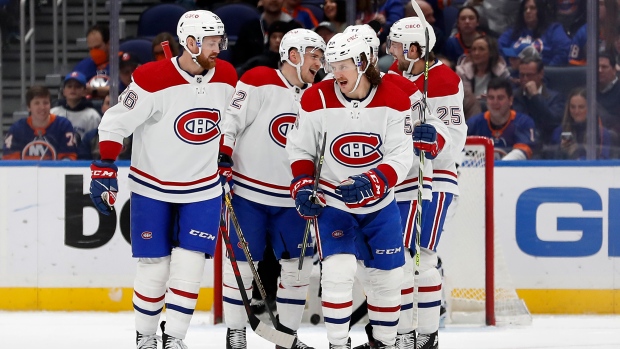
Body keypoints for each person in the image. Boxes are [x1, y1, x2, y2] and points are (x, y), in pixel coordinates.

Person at [88, 10, 237, 349]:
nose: (219, 48)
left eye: (219, 41)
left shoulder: (226, 75)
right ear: (190, 42)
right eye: (212, 42)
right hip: (152, 186)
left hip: (202, 188)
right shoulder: (153, 77)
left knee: (190, 264)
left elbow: (231, 120)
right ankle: (145, 337)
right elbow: (115, 122)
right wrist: (104, 166)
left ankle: (174, 339)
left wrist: (226, 155)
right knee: (154, 266)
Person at [286, 33, 414, 349]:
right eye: (332, 65)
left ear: (362, 63)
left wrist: (372, 181)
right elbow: (300, 148)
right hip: (334, 201)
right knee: (337, 270)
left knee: (388, 278)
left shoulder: (395, 99)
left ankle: (384, 343)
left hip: (380, 203)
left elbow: (401, 155)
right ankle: (338, 344)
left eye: (343, 65)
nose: (335, 73)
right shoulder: (315, 98)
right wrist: (302, 184)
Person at [345, 23, 450, 349]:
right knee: (373, 269)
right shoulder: (339, 89)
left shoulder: (401, 86)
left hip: (407, 185)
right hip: (369, 191)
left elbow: (428, 127)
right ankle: (390, 336)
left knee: (416, 263)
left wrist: (429, 133)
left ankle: (420, 338)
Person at [220, 28, 326, 349]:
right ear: (293, 55)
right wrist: (224, 155)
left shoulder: (318, 96)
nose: (320, 63)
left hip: (295, 197)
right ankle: (236, 333)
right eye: (315, 55)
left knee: (298, 268)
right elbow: (231, 119)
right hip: (249, 193)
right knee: (240, 264)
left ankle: (287, 338)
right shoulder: (259, 79)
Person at [388, 16, 467, 349]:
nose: (389, 49)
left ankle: (427, 335)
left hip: (435, 180)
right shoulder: (392, 75)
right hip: (401, 180)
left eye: (395, 44)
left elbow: (456, 135)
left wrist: (433, 138)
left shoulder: (445, 79)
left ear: (414, 48)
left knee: (422, 257)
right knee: (401, 261)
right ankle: (404, 333)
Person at [467, 77, 536, 160]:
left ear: (510, 100)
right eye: (491, 98)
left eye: (500, 98)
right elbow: (459, 150)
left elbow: (524, 150)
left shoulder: (523, 122)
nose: (495, 102)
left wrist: (500, 166)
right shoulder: (473, 123)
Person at [3, 85, 77, 160]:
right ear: (29, 107)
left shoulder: (63, 126)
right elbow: (9, 161)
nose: (42, 107)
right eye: (37, 103)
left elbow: (69, 158)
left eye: (45, 103)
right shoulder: (17, 129)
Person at [511, 55, 565, 147]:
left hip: (545, 146)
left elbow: (552, 123)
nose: (525, 79)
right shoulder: (513, 97)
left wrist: (536, 97)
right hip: (517, 144)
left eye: (529, 75)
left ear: (541, 74)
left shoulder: (555, 97)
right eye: (522, 75)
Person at [498, 0, 571, 67]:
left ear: (540, 10)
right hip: (515, 76)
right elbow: (498, 48)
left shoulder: (554, 29)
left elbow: (563, 52)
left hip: (544, 76)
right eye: (525, 9)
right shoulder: (514, 31)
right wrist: (509, 70)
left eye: (532, 8)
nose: (528, 11)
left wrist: (546, 71)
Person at [549, 87, 614, 160]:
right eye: (572, 107)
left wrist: (577, 153)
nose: (576, 111)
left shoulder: (601, 133)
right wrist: (560, 151)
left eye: (581, 107)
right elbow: (550, 161)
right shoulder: (559, 131)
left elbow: (603, 163)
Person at [456, 36, 511, 119]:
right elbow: (465, 99)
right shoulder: (462, 72)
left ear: (491, 52)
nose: (476, 53)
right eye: (473, 49)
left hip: (496, 109)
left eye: (481, 49)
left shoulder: (501, 72)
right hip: (468, 112)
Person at [50, 71, 102, 142]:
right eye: (69, 86)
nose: (73, 89)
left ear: (84, 92)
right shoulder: (53, 113)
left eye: (77, 86)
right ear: (64, 91)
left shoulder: (93, 116)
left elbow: (94, 143)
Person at [72, 24, 112, 99]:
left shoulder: (124, 64)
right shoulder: (81, 67)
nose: (94, 52)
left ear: (109, 44)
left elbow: (125, 89)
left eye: (97, 47)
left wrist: (94, 90)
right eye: (91, 49)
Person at [596, 52, 620, 136]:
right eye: (597, 67)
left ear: (614, 70)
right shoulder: (587, 90)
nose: (599, 70)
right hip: (589, 136)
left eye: (604, 67)